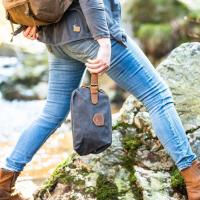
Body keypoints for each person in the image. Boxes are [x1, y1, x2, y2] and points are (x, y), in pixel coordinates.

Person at [0, 0, 200, 200]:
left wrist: (30, 19)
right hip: (89, 32)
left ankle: (5, 181)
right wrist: (104, 41)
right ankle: (195, 181)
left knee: (51, 114)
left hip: (57, 38)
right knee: (157, 96)